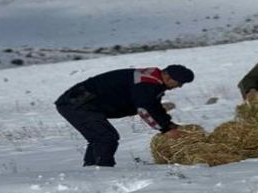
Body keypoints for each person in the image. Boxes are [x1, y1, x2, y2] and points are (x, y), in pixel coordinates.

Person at [55, 65, 193, 167]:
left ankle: (92, 170)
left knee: (100, 137)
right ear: (168, 77)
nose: (179, 87)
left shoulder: (152, 81)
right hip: (76, 103)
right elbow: (144, 108)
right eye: (179, 83)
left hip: (82, 104)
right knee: (105, 137)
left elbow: (153, 106)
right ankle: (101, 171)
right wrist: (166, 130)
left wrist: (170, 125)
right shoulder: (146, 82)